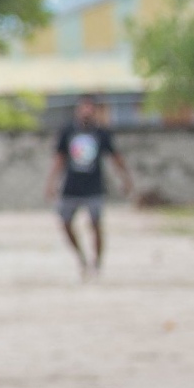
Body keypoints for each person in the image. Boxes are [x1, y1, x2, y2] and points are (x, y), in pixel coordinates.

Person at [44, 94, 134, 278]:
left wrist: (125, 179)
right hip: (71, 186)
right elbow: (59, 159)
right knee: (66, 222)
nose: (86, 112)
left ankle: (97, 262)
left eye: (89, 108)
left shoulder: (101, 133)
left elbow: (115, 158)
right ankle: (81, 258)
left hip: (94, 187)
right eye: (83, 108)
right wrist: (51, 183)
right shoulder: (68, 131)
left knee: (95, 224)